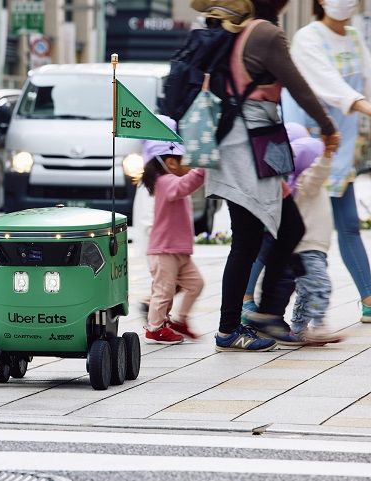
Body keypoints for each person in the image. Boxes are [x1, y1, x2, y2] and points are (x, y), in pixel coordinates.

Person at [204, 0, 340, 352]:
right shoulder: (264, 32)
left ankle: (230, 328)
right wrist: (327, 127)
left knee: (246, 241)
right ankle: (263, 313)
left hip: (235, 143)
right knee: (289, 227)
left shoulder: (238, 29)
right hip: (251, 144)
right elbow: (298, 86)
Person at [283, 0, 371, 323]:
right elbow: (328, 84)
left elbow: (367, 80)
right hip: (307, 149)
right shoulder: (308, 37)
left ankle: (369, 299)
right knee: (283, 228)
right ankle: (249, 299)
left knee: (348, 224)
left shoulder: (353, 37)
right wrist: (364, 107)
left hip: (339, 148)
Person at [140, 118, 205, 345]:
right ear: (169, 162)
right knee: (163, 290)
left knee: (196, 284)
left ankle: (179, 320)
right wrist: (203, 166)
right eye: (180, 160)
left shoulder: (169, 179)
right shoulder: (166, 181)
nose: (184, 164)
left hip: (178, 250)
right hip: (164, 250)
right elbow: (185, 184)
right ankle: (155, 327)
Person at [242, 122, 312, 314]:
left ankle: (252, 304)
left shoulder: (284, 169)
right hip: (270, 223)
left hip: (271, 222)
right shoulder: (284, 169)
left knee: (261, 258)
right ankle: (249, 302)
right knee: (260, 257)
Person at [286, 136, 346, 344]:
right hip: (308, 249)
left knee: (305, 291)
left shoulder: (301, 185)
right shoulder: (306, 182)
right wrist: (326, 155)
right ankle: (319, 326)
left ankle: (298, 329)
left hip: (312, 248)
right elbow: (318, 173)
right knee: (321, 286)